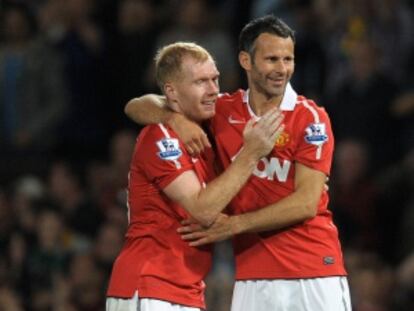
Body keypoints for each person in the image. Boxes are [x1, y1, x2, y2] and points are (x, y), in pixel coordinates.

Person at [124, 15, 352, 310]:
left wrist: (234, 225)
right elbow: (136, 105)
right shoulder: (221, 111)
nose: (282, 69)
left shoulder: (310, 118)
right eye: (271, 59)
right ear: (246, 60)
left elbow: (306, 203)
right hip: (252, 275)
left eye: (288, 59)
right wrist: (174, 119)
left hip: (313, 269)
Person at [106, 42, 284, 311]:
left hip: (185, 289)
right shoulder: (161, 136)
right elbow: (202, 210)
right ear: (172, 92)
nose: (213, 89)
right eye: (201, 81)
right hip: (150, 283)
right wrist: (251, 154)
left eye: (215, 79)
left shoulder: (208, 131)